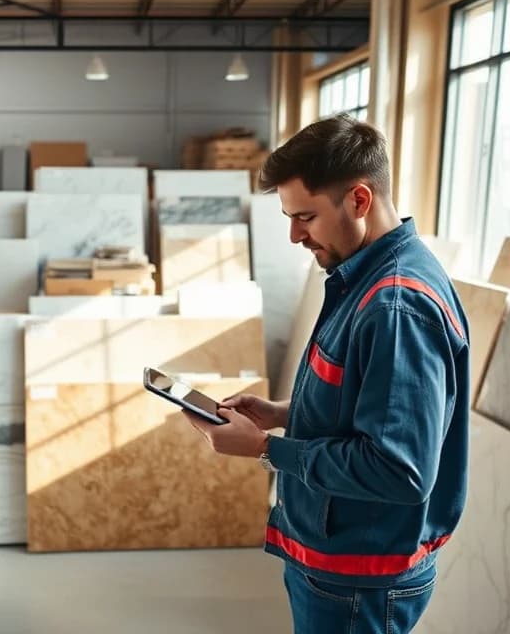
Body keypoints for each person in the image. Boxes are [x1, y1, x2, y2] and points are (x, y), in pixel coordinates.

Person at [187, 114, 470, 634]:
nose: (295, 235)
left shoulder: (396, 306)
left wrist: (266, 449)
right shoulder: (363, 279)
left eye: (306, 217)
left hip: (358, 579)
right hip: (339, 564)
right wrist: (281, 413)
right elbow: (369, 405)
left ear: (359, 201)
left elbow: (399, 470)